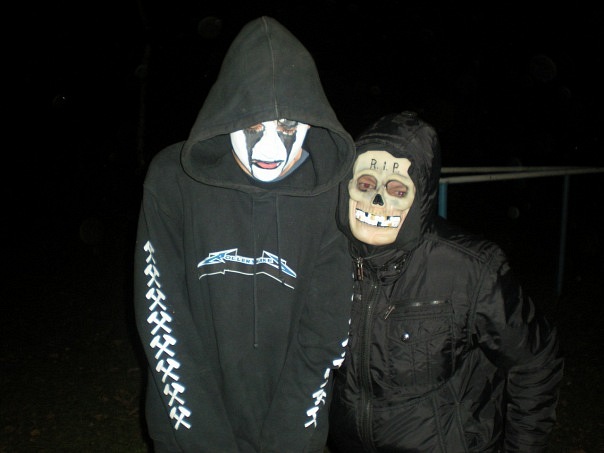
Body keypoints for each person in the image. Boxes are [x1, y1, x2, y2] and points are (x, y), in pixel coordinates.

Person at [133, 16, 356, 452]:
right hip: (188, 428)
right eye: (254, 127)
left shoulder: (330, 191)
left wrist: (290, 439)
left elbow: (325, 329)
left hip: (292, 429)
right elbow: (162, 313)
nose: (270, 148)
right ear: (228, 114)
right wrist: (202, 437)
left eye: (288, 126)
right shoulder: (173, 181)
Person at [327, 111, 564, 452]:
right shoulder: (328, 259)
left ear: (421, 196)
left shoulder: (469, 269)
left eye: (397, 189)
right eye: (365, 184)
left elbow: (535, 360)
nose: (376, 200)